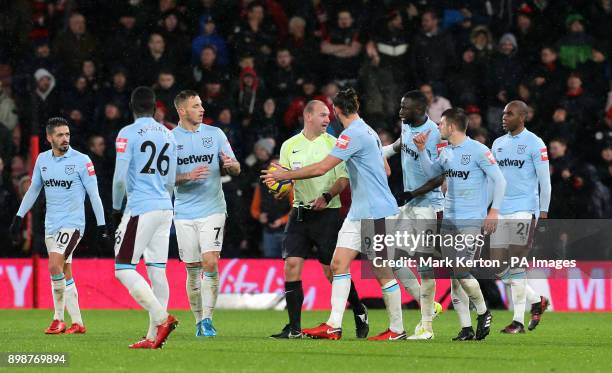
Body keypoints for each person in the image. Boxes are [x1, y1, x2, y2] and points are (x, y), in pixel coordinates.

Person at [262, 88, 406, 341]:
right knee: (338, 265)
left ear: (338, 112)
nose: (329, 119)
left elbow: (320, 169)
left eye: (331, 113)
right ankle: (333, 325)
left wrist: (284, 176)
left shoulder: (351, 135)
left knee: (382, 270)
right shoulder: (368, 131)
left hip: (376, 211)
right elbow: (385, 170)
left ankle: (397, 329)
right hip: (358, 211)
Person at [269, 100, 368, 339]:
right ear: (308, 116)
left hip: (328, 214)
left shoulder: (334, 144)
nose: (328, 119)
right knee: (291, 264)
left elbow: (344, 179)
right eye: (323, 115)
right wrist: (278, 189)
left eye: (328, 115)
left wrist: (327, 195)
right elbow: (283, 180)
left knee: (332, 270)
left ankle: (358, 309)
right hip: (300, 213)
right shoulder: (289, 146)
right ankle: (294, 328)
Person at [9, 117, 110, 334]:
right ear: (49, 138)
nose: (65, 138)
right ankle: (79, 323)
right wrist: (18, 217)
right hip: (51, 225)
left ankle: (58, 319)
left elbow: (94, 194)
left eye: (67, 134)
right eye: (60, 135)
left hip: (73, 225)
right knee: (65, 271)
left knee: (54, 265)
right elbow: (34, 190)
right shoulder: (42, 160)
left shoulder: (82, 161)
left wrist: (102, 225)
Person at [414, 108, 506, 341]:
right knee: (456, 279)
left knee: (460, 270)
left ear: (452, 127)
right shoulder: (445, 152)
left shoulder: (478, 150)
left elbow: (500, 180)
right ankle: (465, 328)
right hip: (449, 220)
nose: (439, 128)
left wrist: (493, 211)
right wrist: (423, 151)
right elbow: (431, 173)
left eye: (442, 124)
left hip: (471, 220)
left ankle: (484, 312)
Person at [111, 86, 178, 349]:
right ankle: (152, 338)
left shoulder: (127, 133)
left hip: (141, 207)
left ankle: (162, 318)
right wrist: (167, 204)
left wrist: (117, 209)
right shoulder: (169, 135)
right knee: (157, 271)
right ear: (154, 107)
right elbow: (171, 180)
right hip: (165, 207)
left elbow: (119, 178)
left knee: (123, 268)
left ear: (132, 106)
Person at [172, 90, 240, 337]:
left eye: (201, 105)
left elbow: (236, 168)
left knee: (210, 261)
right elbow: (163, 180)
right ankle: (199, 320)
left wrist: (232, 166)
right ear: (182, 111)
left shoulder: (215, 134)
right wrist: (186, 177)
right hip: (183, 212)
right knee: (192, 268)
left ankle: (209, 320)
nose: (202, 109)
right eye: (196, 106)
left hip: (213, 208)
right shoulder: (170, 140)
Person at [382, 91, 445, 339]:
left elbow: (442, 174)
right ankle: (428, 305)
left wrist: (415, 193)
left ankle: (426, 327)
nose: (400, 112)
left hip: (429, 204)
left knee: (424, 264)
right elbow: (398, 147)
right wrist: (377, 152)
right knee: (389, 256)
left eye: (404, 108)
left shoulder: (437, 133)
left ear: (419, 109)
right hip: (412, 203)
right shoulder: (407, 127)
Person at [490, 101, 551, 333]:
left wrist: (543, 212)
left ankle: (517, 321)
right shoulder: (498, 144)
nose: (504, 117)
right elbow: (493, 180)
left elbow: (545, 182)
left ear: (523, 117)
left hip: (524, 209)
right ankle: (537, 300)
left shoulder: (535, 143)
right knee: (497, 266)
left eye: (510, 114)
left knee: (516, 262)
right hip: (501, 210)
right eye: (503, 113)